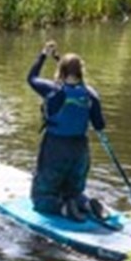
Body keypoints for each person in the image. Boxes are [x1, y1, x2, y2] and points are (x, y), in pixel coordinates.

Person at [26, 40, 107, 221]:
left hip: (56, 146)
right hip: (80, 148)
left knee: (41, 198)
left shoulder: (52, 90)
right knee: (74, 191)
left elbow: (31, 78)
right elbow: (99, 125)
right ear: (81, 71)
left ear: (60, 71)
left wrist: (43, 55)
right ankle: (86, 204)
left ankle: (64, 208)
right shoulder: (91, 94)